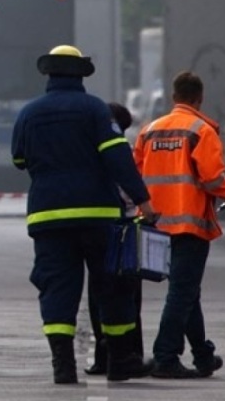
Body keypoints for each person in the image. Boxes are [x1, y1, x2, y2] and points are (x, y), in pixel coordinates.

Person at [11, 45, 156, 384]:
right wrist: (143, 201)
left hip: (47, 217)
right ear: (80, 74)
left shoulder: (29, 114)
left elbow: (19, 160)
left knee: (57, 288)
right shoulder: (96, 110)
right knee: (112, 286)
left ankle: (63, 367)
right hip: (97, 215)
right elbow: (118, 158)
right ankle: (120, 362)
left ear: (49, 73)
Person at [132, 71, 225, 379]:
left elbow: (136, 172)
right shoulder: (201, 130)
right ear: (199, 98)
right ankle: (166, 356)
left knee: (186, 291)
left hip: (155, 225)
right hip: (189, 226)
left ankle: (203, 355)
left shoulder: (149, 130)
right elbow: (212, 177)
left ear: (174, 97)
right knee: (182, 291)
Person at [84, 101, 144, 375]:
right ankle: (128, 355)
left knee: (98, 291)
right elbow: (128, 186)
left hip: (97, 224)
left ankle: (101, 357)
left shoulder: (85, 147)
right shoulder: (118, 149)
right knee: (126, 293)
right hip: (123, 225)